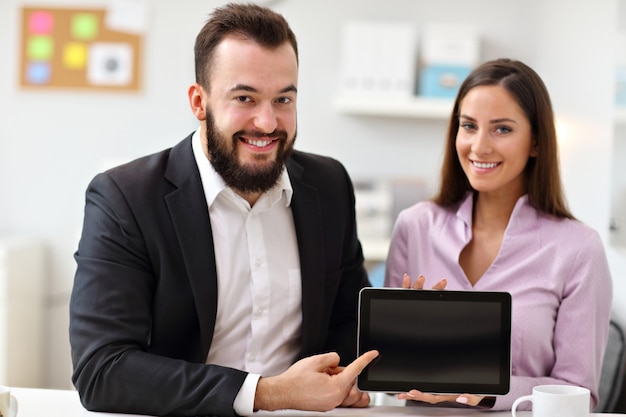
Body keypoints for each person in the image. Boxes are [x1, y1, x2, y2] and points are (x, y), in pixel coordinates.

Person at [69, 3, 378, 416]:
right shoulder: (125, 198)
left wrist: (402, 337)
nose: (267, 123)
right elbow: (101, 370)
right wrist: (269, 393)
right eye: (245, 98)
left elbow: (346, 324)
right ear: (200, 101)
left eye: (283, 98)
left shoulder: (329, 185)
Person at [384, 58, 613, 411]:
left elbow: (580, 393)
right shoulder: (414, 226)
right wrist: (402, 348)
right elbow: (389, 371)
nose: (479, 146)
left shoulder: (579, 249)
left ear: (536, 141)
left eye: (502, 129)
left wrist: (486, 389)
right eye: (469, 126)